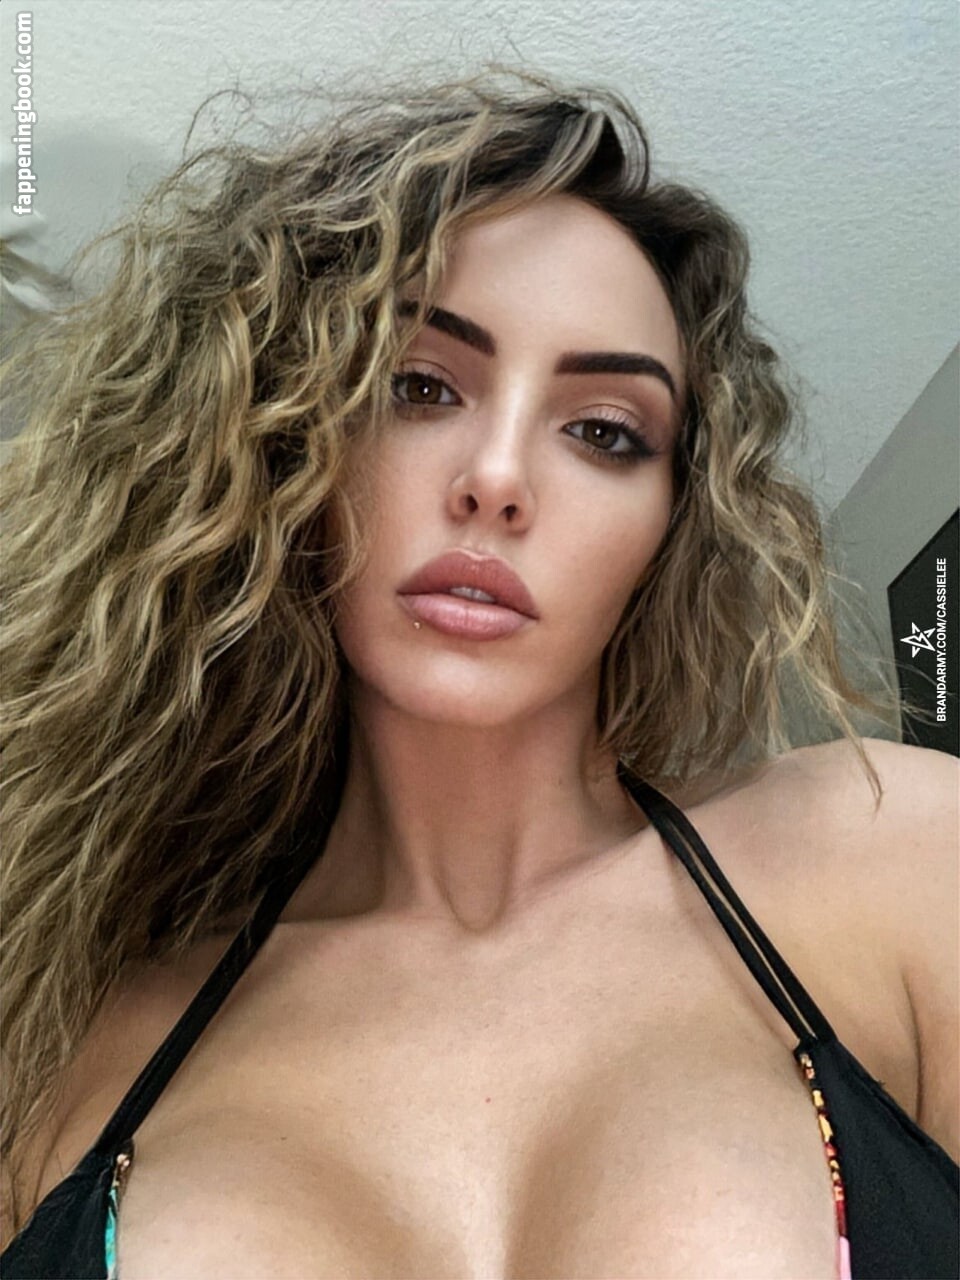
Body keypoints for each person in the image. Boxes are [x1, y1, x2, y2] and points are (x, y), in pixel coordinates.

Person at [1, 69, 956, 1280]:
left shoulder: (901, 858)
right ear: (284, 436)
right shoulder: (70, 1044)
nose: (497, 477)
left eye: (605, 430)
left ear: (673, 526)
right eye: (420, 386)